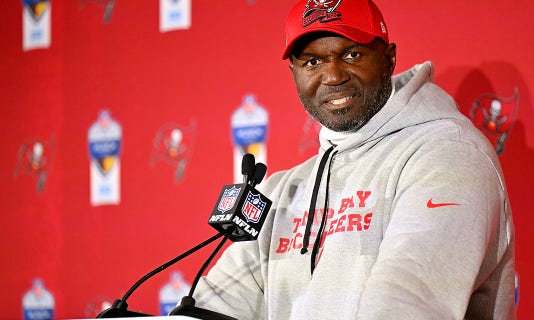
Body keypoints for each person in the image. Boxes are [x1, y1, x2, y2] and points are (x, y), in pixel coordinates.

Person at [193, 0, 515, 319]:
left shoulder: (449, 158)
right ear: (294, 73)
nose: (332, 76)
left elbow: (405, 307)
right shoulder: (283, 192)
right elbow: (214, 308)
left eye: (351, 55)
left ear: (389, 59)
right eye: (312, 62)